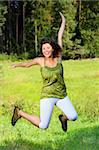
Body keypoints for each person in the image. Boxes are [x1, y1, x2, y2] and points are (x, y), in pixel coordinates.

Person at [11, 12, 78, 132]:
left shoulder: (58, 58)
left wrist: (63, 22)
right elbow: (27, 64)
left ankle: (63, 118)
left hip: (62, 95)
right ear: (42, 50)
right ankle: (19, 112)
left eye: (48, 48)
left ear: (52, 48)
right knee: (43, 125)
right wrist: (16, 65)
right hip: (47, 95)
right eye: (43, 48)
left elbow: (60, 36)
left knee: (73, 116)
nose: (46, 50)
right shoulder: (40, 61)